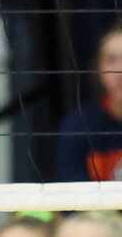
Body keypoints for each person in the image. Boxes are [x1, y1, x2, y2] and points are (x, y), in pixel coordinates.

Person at [52, 20, 122, 184]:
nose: (120, 70)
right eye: (112, 60)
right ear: (99, 69)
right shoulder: (78, 126)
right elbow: (72, 199)